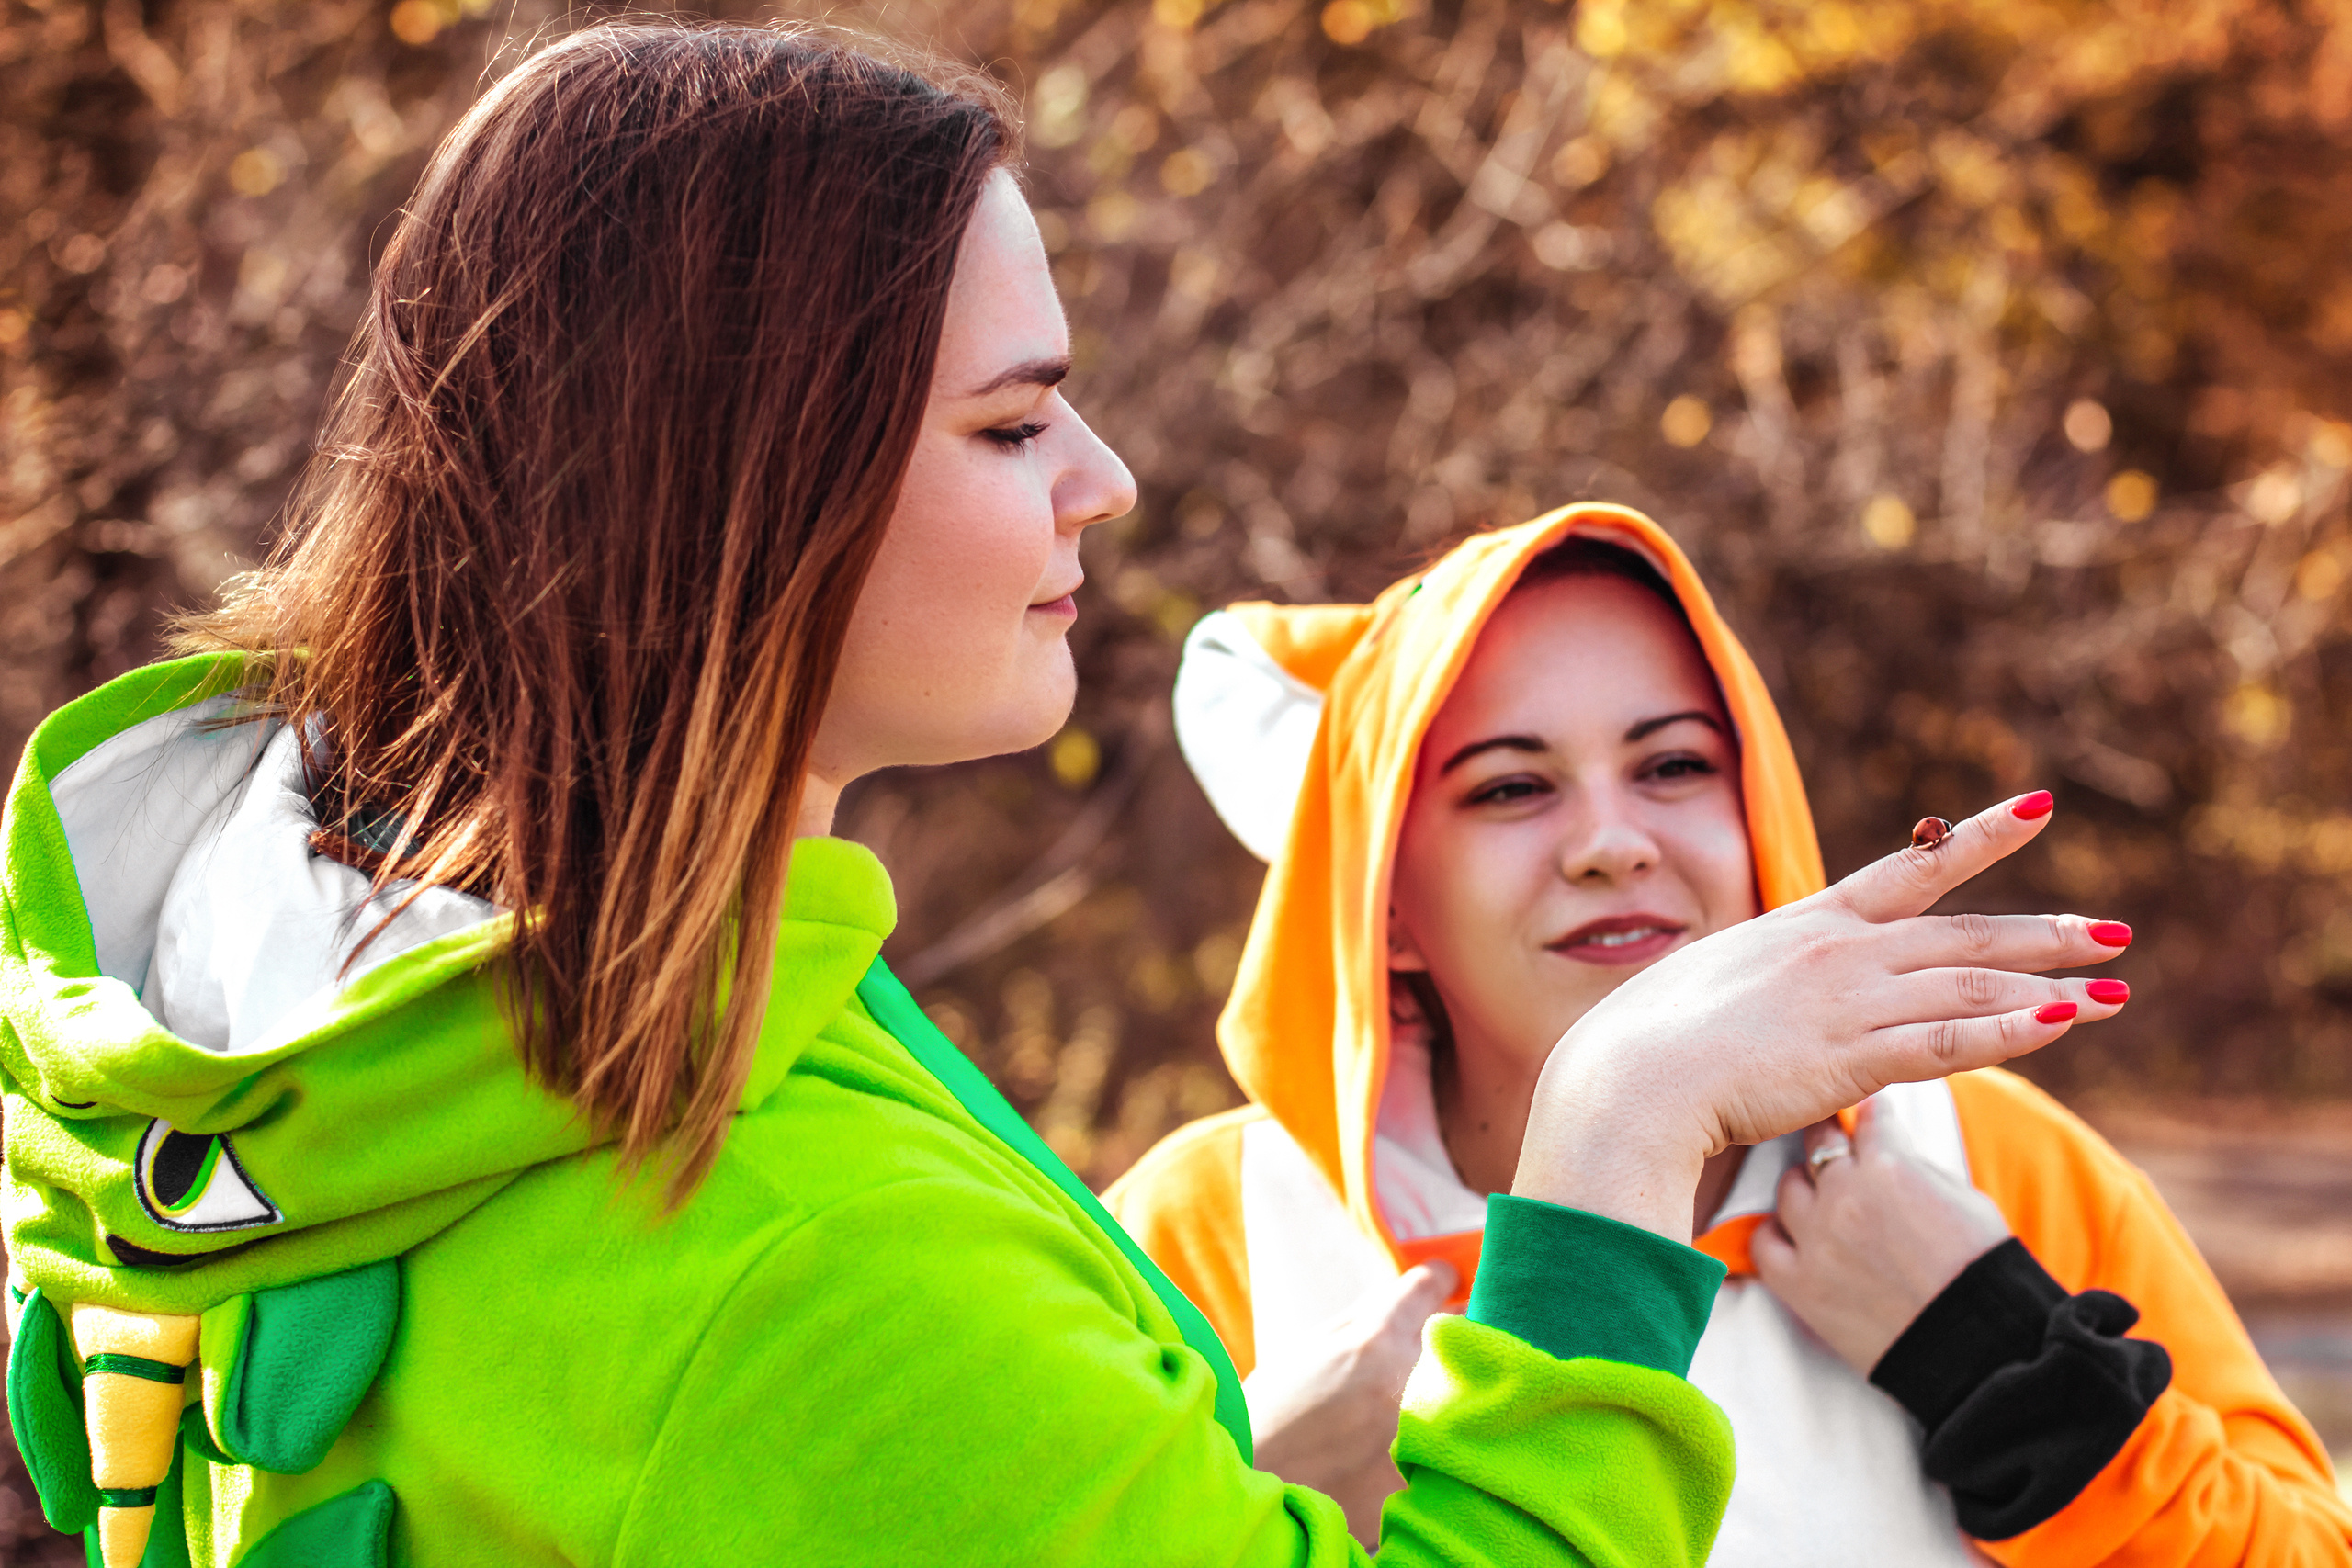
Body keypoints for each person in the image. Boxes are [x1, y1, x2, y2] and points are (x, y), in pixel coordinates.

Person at [1, 22, 2127, 1568]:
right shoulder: (789, 1236)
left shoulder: (291, 1053)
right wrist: (1609, 1146)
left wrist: (1223, 1479)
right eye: (1015, 421)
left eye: (1668, 753)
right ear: (759, 497)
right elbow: (808, 1364)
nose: (1103, 479)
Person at [1107, 506, 2352, 1563]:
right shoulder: (1214, 1233)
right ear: (1382, 904)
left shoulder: (1982, 1153)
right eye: (1510, 787)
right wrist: (1234, 1508)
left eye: (1675, 767)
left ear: (1761, 821)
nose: (1613, 841)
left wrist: (2006, 1371)